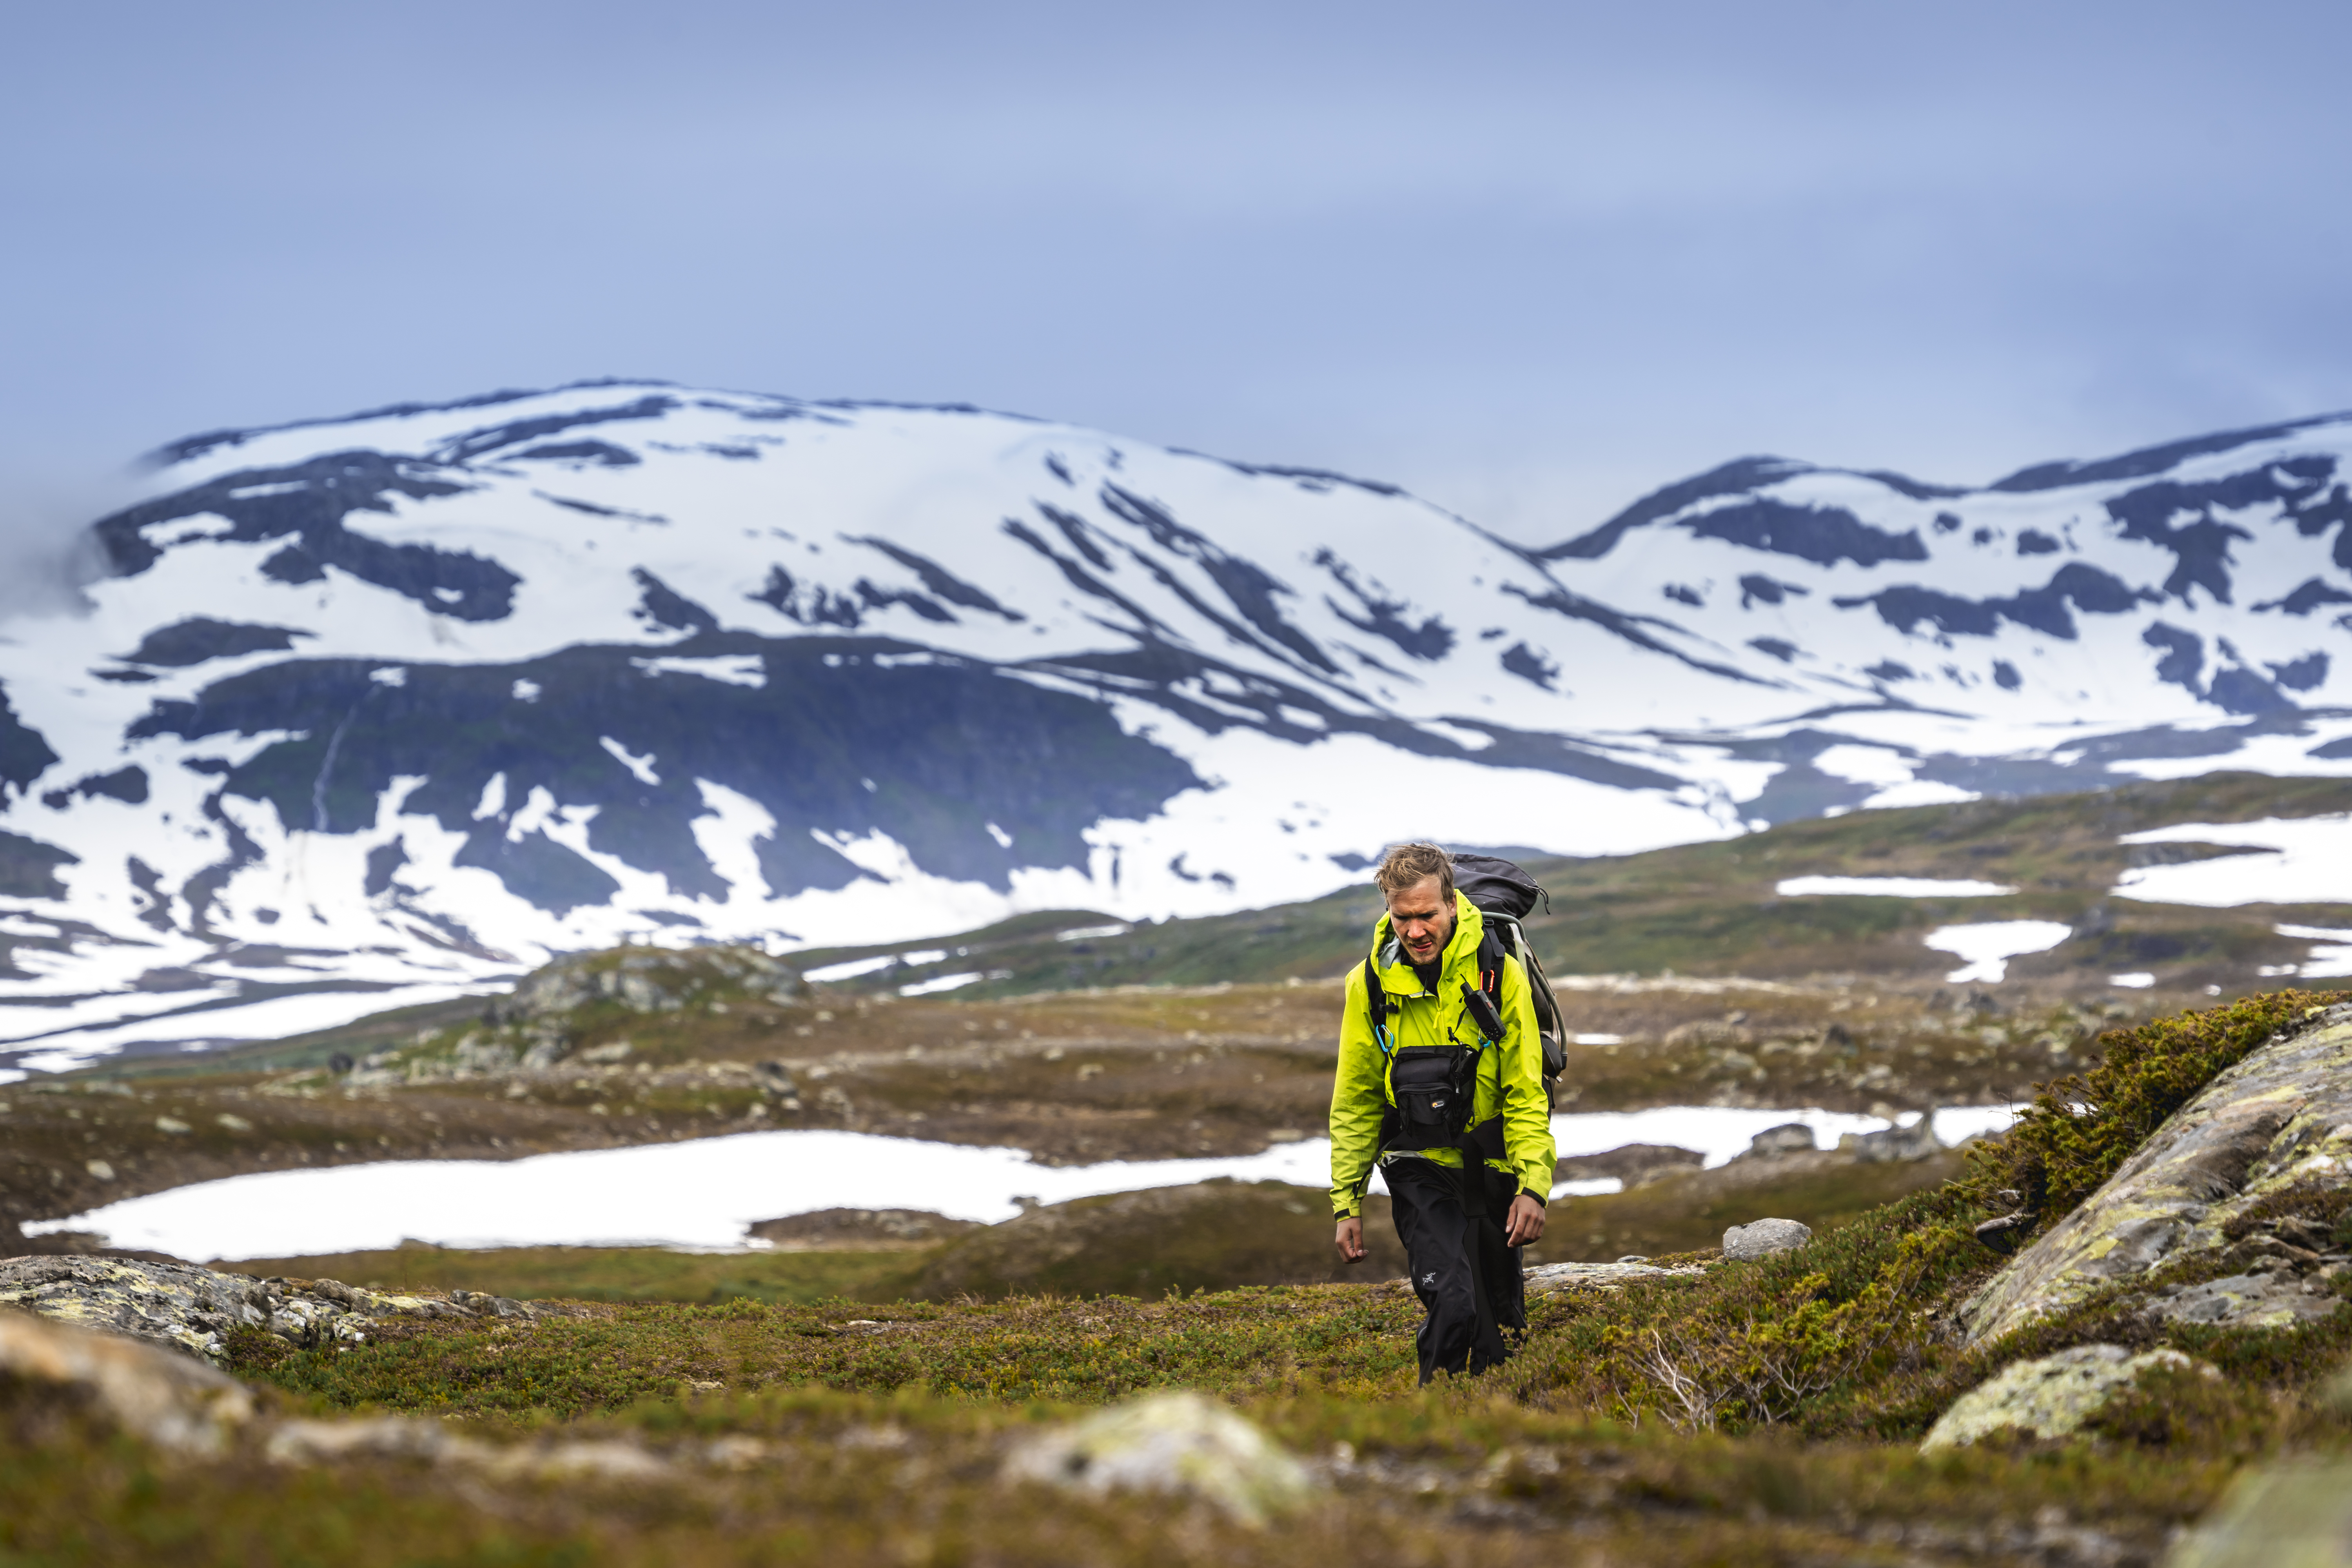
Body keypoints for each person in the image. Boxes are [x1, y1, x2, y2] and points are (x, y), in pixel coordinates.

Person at [1329, 842, 1557, 1383]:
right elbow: (1356, 1097)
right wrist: (1346, 1203)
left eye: (1426, 915)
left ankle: (1496, 1437)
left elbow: (1525, 1089)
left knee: (1502, 1331)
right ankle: (1435, 1426)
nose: (1415, 931)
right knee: (1454, 1305)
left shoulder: (1498, 973)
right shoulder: (1368, 985)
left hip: (1491, 1165)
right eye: (1401, 917)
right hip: (1416, 1164)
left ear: (1451, 904)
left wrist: (1533, 1186)